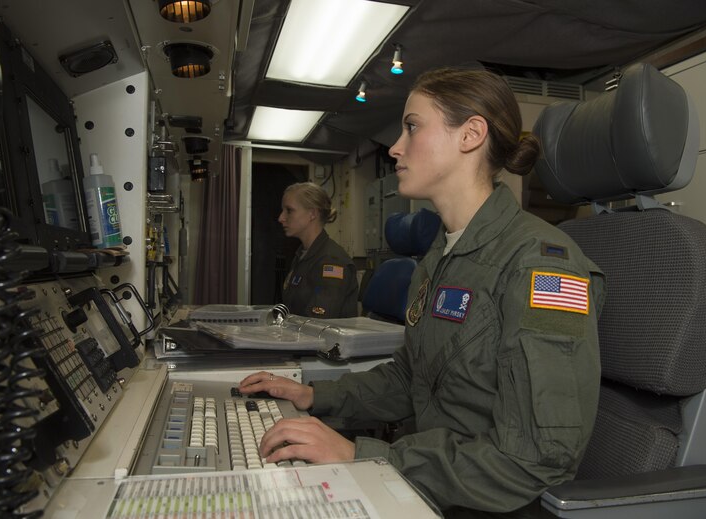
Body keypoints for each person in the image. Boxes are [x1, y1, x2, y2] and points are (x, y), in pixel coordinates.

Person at [240, 68, 605, 517]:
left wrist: (369, 457)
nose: (395, 147)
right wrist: (314, 396)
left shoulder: (543, 266)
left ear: (470, 135)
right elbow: (409, 379)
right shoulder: (438, 258)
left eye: (412, 126)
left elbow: (532, 461)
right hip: (427, 481)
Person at [278, 181, 358, 318]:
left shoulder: (332, 261)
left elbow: (319, 320)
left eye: (289, 210)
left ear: (312, 214)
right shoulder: (302, 255)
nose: (281, 218)